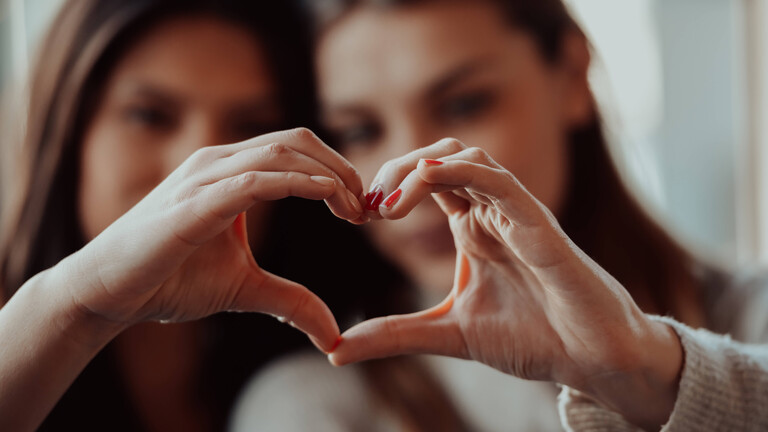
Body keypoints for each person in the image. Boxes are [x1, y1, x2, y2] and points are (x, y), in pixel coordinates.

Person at [232, 1, 768, 431]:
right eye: (360, 131)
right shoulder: (307, 409)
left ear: (573, 74)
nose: (408, 172)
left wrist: (651, 377)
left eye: (464, 104)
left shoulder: (752, 315)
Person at [0, 1, 369, 430]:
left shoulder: (323, 371)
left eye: (252, 126)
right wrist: (75, 308)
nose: (199, 164)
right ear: (65, 129)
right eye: (150, 116)